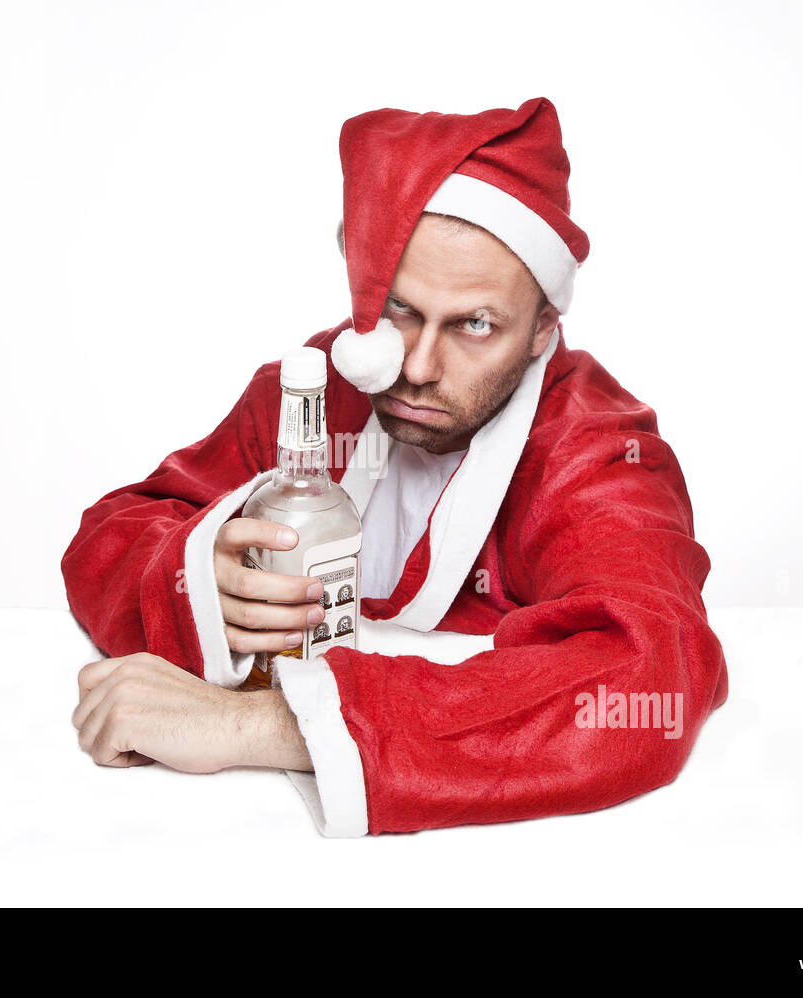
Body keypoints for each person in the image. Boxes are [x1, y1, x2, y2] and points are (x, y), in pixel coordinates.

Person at [62, 97, 729, 836]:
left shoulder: (596, 453)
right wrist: (194, 580)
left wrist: (255, 726)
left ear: (544, 327)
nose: (415, 367)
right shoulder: (319, 396)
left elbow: (647, 672)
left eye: (474, 324)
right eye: (400, 312)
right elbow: (113, 532)